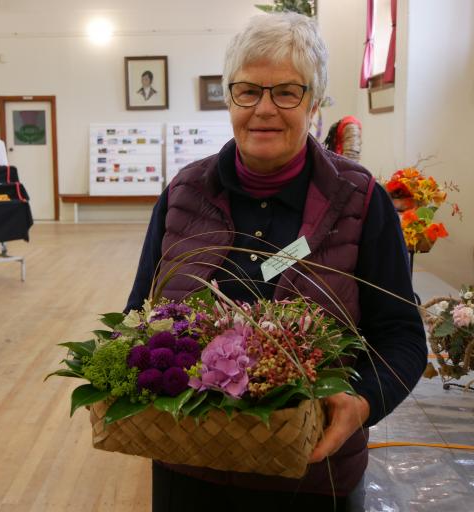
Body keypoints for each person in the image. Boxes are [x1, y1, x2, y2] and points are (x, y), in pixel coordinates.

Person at [125, 12, 426, 512]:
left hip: (311, 476)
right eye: (248, 91)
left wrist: (363, 399)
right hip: (193, 468)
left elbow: (402, 335)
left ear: (313, 102)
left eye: (286, 91)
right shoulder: (182, 193)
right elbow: (139, 314)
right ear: (230, 98)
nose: (264, 109)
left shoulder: (361, 199)